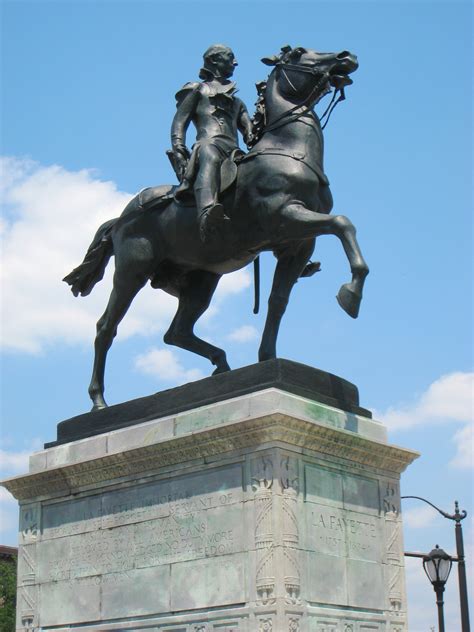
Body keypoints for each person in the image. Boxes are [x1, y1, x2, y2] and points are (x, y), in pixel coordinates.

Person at [169, 44, 253, 238]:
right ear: (214, 60)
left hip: (234, 152)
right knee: (209, 153)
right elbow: (179, 122)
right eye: (230, 57)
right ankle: (207, 213)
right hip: (209, 145)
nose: (235, 62)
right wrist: (178, 146)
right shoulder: (198, 91)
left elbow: (250, 133)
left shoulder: (238, 103)